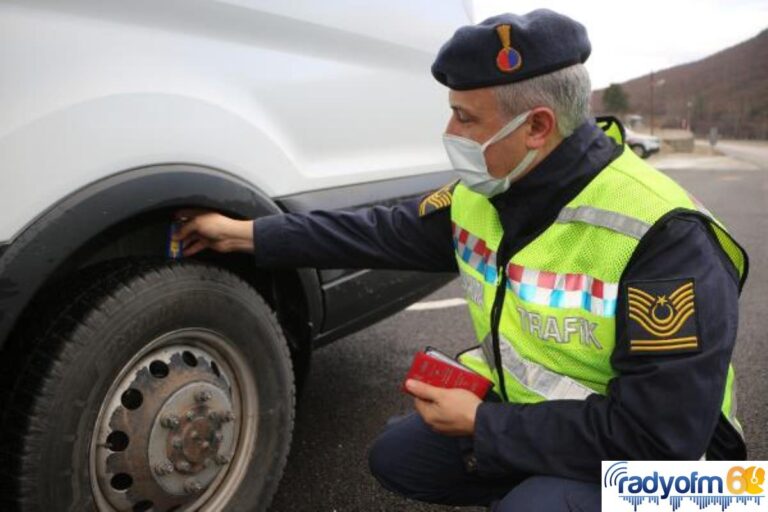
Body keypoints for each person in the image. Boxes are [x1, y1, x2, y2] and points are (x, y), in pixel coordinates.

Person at [174, 9, 748, 511]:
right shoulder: (489, 193)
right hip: (560, 424)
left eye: (466, 119)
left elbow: (657, 438)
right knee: (399, 458)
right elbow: (376, 231)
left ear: (537, 128)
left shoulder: (665, 239)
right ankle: (547, 480)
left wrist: (485, 425)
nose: (449, 132)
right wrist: (249, 234)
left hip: (688, 471)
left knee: (537, 507)